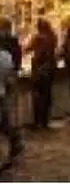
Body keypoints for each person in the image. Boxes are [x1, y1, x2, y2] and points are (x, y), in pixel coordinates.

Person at [25, 18, 58, 130]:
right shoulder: (53, 36)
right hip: (50, 68)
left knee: (37, 95)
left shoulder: (37, 37)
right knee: (47, 94)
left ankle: (36, 122)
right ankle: (45, 122)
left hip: (39, 68)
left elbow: (27, 49)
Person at [0, 34, 23, 170]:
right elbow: (10, 78)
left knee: (4, 124)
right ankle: (15, 143)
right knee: (5, 123)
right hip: (2, 95)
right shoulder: (6, 56)